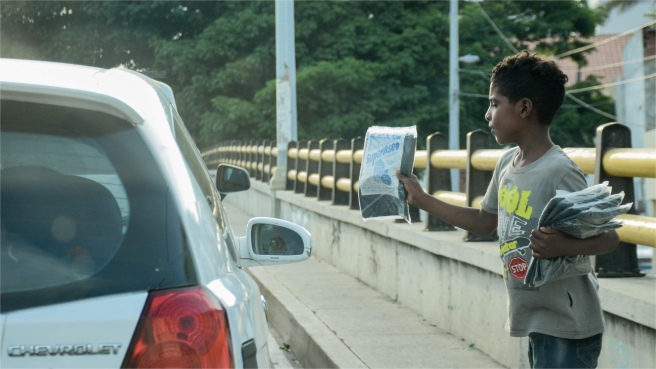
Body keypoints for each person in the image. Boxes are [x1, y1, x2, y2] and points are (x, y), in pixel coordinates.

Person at [397, 50, 619, 369]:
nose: (488, 114)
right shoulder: (506, 163)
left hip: (568, 325)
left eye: (494, 103)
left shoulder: (559, 170)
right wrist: (422, 199)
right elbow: (484, 222)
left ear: (524, 107)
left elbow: (609, 238)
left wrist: (563, 245)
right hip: (536, 320)